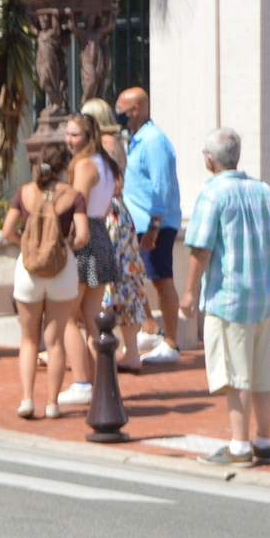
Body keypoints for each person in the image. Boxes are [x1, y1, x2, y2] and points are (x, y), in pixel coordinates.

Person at [183, 127, 270, 466]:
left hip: (228, 298)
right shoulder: (263, 191)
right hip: (262, 296)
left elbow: (201, 247)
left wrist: (189, 291)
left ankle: (239, 445)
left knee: (235, 375)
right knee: (261, 373)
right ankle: (263, 440)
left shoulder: (213, 193)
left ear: (210, 160)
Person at [3, 150, 86, 419]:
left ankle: (27, 399)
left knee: (29, 339)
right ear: (65, 166)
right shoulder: (74, 196)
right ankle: (52, 403)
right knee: (56, 341)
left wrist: (26, 245)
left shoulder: (24, 192)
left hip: (28, 270)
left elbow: (7, 231)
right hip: (62, 270)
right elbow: (83, 236)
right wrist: (65, 246)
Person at [51, 112, 124, 408]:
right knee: (93, 317)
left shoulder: (83, 165)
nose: (69, 140)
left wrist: (63, 238)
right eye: (67, 134)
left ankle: (82, 381)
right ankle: (104, 382)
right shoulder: (105, 164)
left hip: (84, 236)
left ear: (88, 136)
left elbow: (75, 204)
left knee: (68, 315)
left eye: (75, 135)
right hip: (101, 233)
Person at [82, 98, 152, 373]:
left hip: (109, 214)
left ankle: (111, 349)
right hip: (118, 215)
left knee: (112, 282)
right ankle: (130, 351)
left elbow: (114, 181)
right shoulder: (115, 143)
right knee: (125, 280)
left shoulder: (105, 145)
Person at [117, 86, 185, 363]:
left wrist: (155, 225)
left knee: (161, 279)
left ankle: (171, 342)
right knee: (135, 276)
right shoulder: (136, 140)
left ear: (135, 110)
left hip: (155, 223)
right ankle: (150, 328)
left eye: (121, 108)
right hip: (138, 222)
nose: (117, 113)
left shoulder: (153, 141)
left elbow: (161, 185)